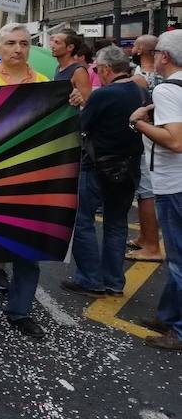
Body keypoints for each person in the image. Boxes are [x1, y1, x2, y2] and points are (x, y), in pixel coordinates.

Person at [0, 23, 50, 339]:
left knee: (28, 251)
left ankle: (21, 313)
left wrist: (70, 99)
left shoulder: (43, 83)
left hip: (33, 179)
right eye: (11, 43)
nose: (18, 49)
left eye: (24, 43)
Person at [62, 46, 144, 299]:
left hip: (98, 166)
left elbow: (83, 125)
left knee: (82, 221)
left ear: (107, 69)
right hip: (129, 166)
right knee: (117, 224)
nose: (95, 72)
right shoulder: (139, 91)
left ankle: (90, 279)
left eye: (96, 69)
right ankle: (114, 282)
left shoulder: (104, 95)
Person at [128, 30, 182, 350]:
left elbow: (175, 141)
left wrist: (138, 122)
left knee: (177, 261)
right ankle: (167, 315)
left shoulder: (166, 90)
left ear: (164, 57)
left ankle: (177, 329)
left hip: (174, 184)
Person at [128, 35, 165, 261]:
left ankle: (151, 244)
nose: (132, 48)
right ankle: (144, 236)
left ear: (141, 49)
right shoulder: (164, 74)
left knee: (145, 191)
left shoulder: (140, 77)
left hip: (147, 136)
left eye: (135, 44)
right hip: (160, 133)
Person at [50, 29, 92, 102]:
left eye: (57, 43)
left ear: (70, 47)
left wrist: (80, 100)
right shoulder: (59, 67)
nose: (52, 46)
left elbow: (88, 103)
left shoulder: (78, 71)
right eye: (53, 42)